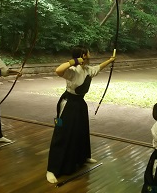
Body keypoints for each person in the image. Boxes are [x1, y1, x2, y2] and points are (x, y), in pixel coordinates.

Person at [46, 46, 115, 183]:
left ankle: (83, 157)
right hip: (68, 104)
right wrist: (74, 61)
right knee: (62, 134)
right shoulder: (72, 71)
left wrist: (110, 60)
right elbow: (58, 70)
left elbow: (99, 67)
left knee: (81, 131)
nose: (90, 56)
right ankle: (52, 169)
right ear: (83, 56)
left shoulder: (87, 69)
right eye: (88, 54)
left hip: (80, 104)